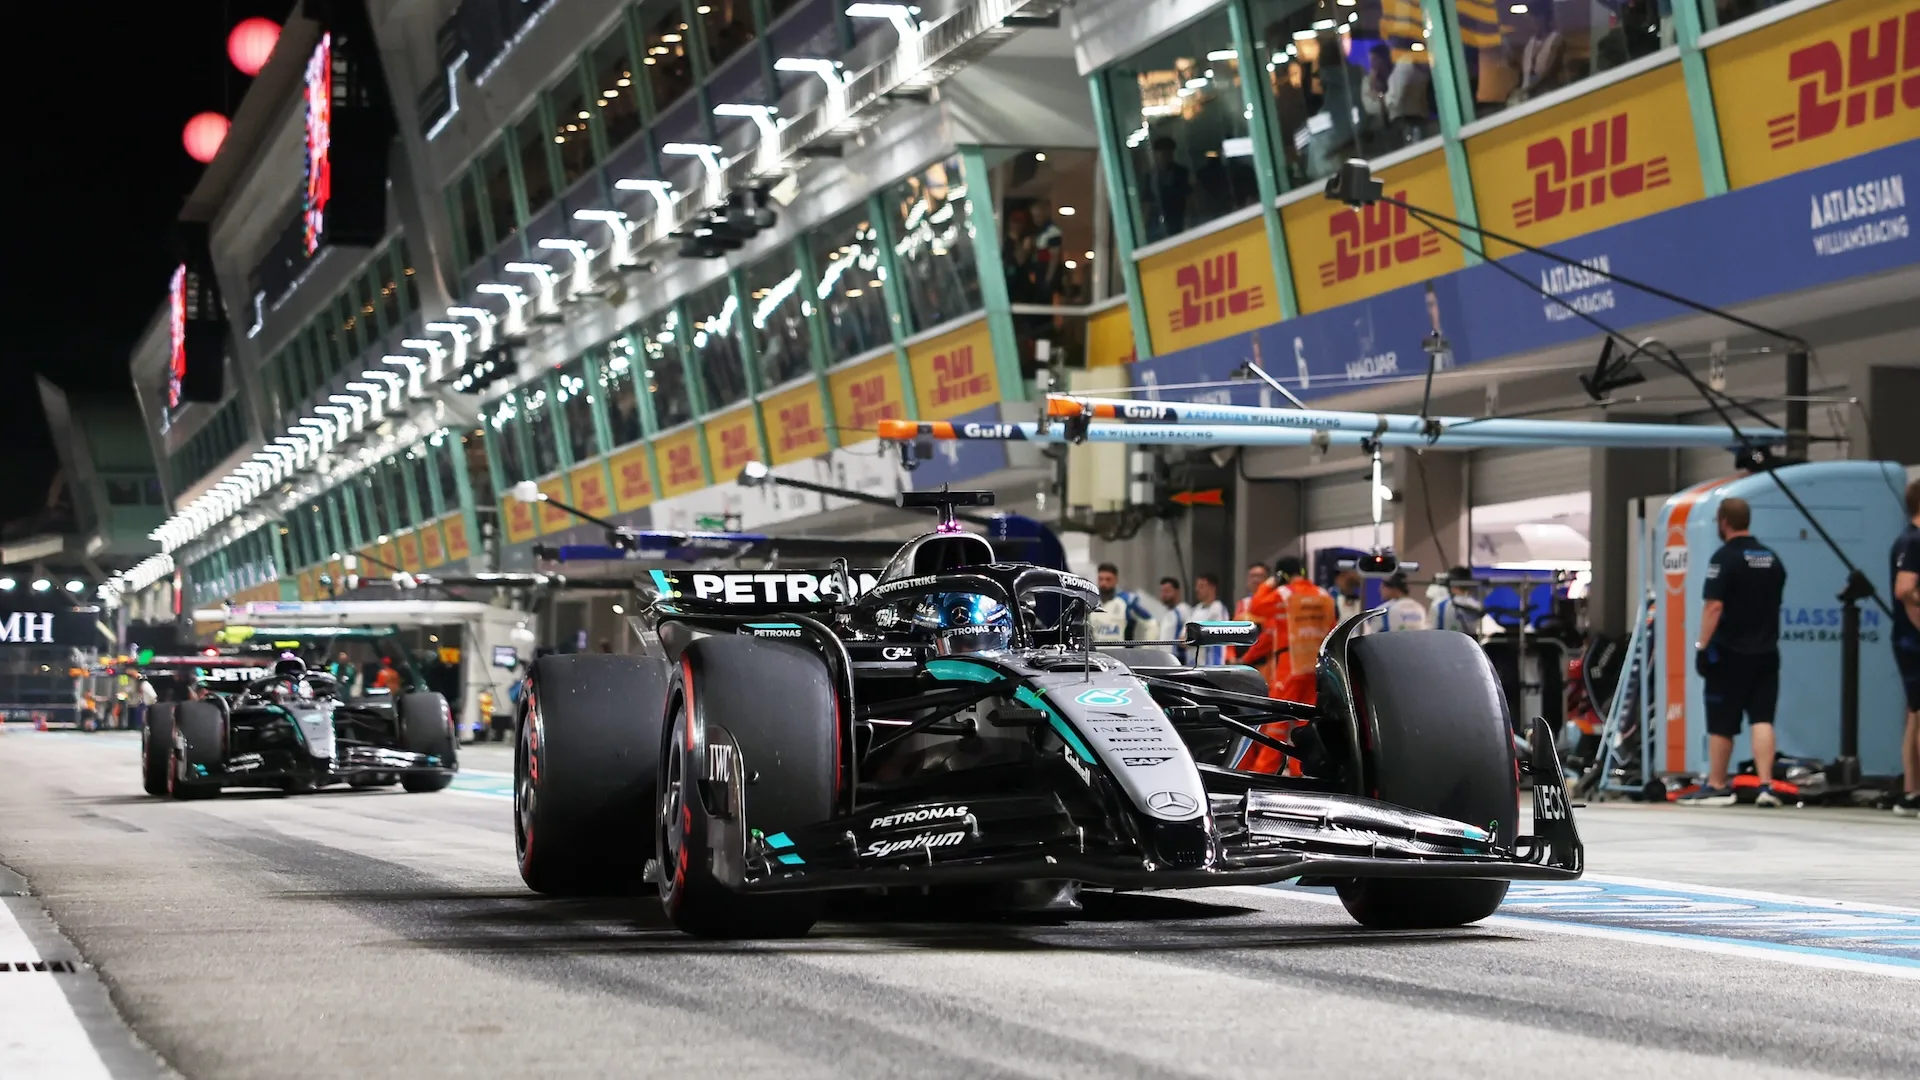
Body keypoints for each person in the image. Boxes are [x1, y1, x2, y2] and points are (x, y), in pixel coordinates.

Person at [1682, 498, 1787, 807]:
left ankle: (1717, 784)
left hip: (1729, 655)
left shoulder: (1724, 559)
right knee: (1762, 719)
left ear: (1724, 521)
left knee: (1722, 723)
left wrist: (1702, 646)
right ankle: (1766, 784)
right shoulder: (1771, 558)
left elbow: (1714, 606)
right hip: (1767, 653)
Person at [1232, 557, 1335, 775]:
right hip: (1316, 668)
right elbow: (1332, 629)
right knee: (1306, 722)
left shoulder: (1284, 595)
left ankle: (1263, 773)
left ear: (1282, 575)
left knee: (1276, 722)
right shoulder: (1324, 596)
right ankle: (1301, 772)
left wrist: (1271, 583)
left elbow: (1257, 605)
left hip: (1290, 666)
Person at [1890, 479, 1920, 817]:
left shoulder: (1906, 540)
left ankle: (1913, 791)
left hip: (1906, 638)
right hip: (1913, 639)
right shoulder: (1914, 541)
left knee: (1914, 714)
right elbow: (1905, 589)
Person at [1089, 563, 1152, 643]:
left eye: (1108, 579)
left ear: (1116, 580)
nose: (1104, 583)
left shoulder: (1127, 602)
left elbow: (1150, 623)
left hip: (1121, 653)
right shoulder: (1091, 603)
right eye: (1100, 579)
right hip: (1098, 653)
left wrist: (1146, 650)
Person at [1188, 573, 1231, 665]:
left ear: (1212, 588)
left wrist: (1193, 637)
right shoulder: (1195, 610)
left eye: (1201, 586)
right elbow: (1184, 637)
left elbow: (1213, 634)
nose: (1197, 590)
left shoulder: (1218, 608)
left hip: (1212, 663)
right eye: (1197, 586)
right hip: (1193, 662)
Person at [1431, 566, 1484, 637]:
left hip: (1443, 644)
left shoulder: (1439, 605)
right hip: (1467, 645)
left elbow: (1432, 632)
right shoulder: (1477, 606)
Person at [1150, 577, 1192, 659]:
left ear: (1177, 592)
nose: (1164, 595)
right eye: (1162, 591)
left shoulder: (1183, 610)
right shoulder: (1164, 613)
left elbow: (1186, 637)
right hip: (1163, 659)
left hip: (1176, 660)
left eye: (1167, 591)